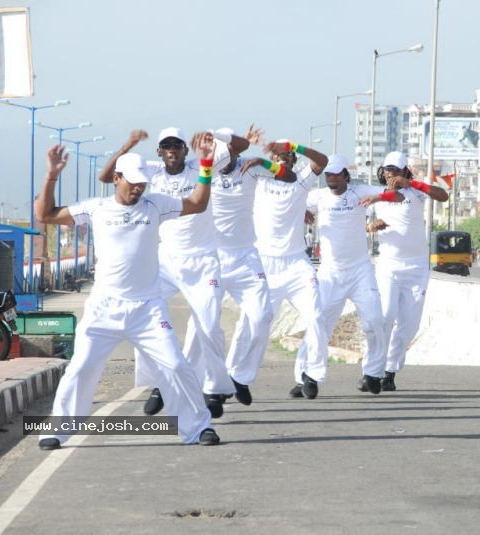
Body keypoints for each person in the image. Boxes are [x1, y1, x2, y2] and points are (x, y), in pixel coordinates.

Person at [34, 140, 219, 449]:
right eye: (132, 182)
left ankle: (198, 428)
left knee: (175, 365)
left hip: (147, 309)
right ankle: (58, 430)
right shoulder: (96, 208)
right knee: (80, 367)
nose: (138, 188)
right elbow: (47, 215)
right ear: (117, 178)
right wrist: (51, 176)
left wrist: (206, 167)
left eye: (142, 183)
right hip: (104, 308)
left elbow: (197, 204)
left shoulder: (157, 204)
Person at [100, 128, 242, 419]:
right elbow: (107, 177)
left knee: (208, 325)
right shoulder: (150, 172)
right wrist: (128, 145)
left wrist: (215, 137)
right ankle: (160, 385)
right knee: (143, 316)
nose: (172, 150)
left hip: (203, 262)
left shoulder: (203, 164)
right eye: (166, 146)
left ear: (185, 150)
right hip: (165, 261)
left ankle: (214, 389)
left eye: (177, 145)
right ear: (159, 152)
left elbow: (241, 145)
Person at [181, 126, 299, 407]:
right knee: (201, 324)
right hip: (212, 257)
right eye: (216, 152)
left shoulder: (251, 168)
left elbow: (290, 176)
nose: (221, 155)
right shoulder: (201, 172)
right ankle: (192, 385)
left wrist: (264, 161)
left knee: (261, 316)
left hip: (246, 257)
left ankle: (240, 377)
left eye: (226, 149)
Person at [301, 154, 404, 394]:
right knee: (320, 324)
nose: (332, 179)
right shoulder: (318, 196)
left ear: (346, 175)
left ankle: (372, 374)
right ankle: (310, 375)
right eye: (329, 175)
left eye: (337, 175)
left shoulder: (359, 192)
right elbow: (293, 203)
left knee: (374, 322)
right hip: (330, 272)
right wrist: (302, 212)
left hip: (360, 271)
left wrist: (378, 197)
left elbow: (397, 196)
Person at [245, 138, 328, 399]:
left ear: (293, 160)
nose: (282, 159)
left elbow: (321, 162)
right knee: (256, 323)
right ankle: (240, 378)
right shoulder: (260, 178)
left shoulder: (301, 179)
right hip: (265, 264)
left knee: (316, 317)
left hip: (296, 264)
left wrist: (295, 146)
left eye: (286, 156)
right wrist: (253, 149)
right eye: (277, 156)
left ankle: (311, 374)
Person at [366, 151, 448, 391]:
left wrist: (411, 184)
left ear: (404, 172)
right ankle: (372, 370)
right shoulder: (377, 195)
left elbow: (443, 196)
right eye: (387, 169)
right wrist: (370, 226)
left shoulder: (416, 192)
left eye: (395, 169)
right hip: (388, 265)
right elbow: (356, 222)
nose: (390, 173)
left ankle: (389, 372)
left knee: (408, 324)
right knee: (384, 316)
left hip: (416, 267)